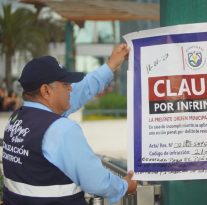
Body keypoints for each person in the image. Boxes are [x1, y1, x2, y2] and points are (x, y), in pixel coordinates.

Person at [2, 44, 137, 205]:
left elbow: (82, 90)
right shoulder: (61, 130)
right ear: (46, 91)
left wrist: (111, 65)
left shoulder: (18, 117)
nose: (71, 89)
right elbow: (97, 182)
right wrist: (124, 186)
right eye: (66, 85)